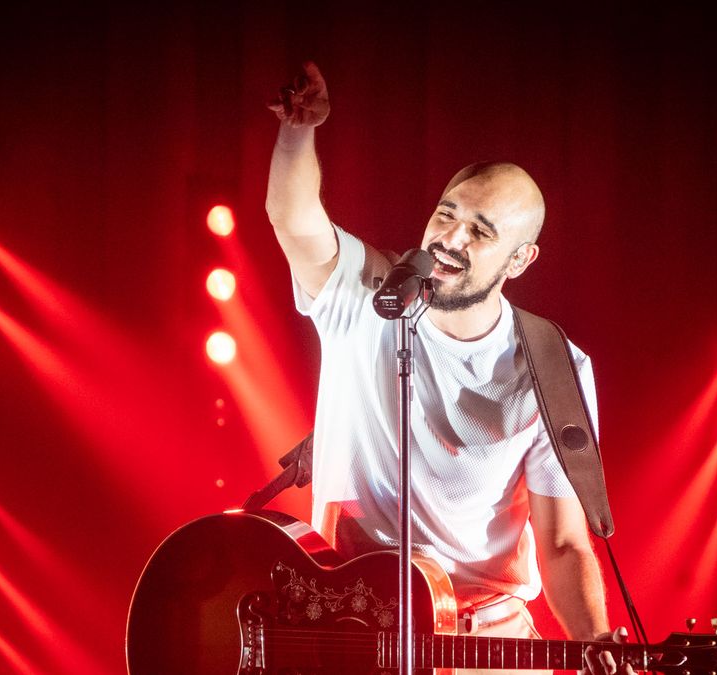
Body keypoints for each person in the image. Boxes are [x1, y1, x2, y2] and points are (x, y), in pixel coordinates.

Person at [265, 61, 636, 675]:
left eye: (480, 231)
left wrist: (594, 637)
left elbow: (564, 542)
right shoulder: (366, 297)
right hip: (354, 631)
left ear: (520, 260)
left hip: (482, 643)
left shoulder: (551, 367)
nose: (451, 239)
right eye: (446, 214)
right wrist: (298, 133)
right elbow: (294, 219)